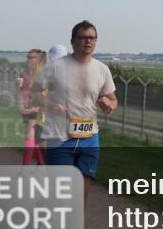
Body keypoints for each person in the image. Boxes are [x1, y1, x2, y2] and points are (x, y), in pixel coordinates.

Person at [38, 22, 117, 199]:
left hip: (89, 138)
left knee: (80, 196)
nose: (88, 41)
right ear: (73, 41)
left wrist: (109, 104)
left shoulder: (102, 69)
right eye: (83, 37)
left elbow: (113, 99)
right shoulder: (55, 66)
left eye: (92, 38)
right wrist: (50, 105)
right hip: (60, 139)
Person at [19, 49, 47, 165]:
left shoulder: (42, 73)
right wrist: (18, 87)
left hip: (37, 107)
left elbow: (44, 91)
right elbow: (21, 91)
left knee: (29, 135)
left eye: (32, 57)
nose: (28, 59)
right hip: (27, 105)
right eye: (28, 57)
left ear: (38, 59)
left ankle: (24, 168)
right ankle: (41, 162)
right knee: (34, 138)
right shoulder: (27, 73)